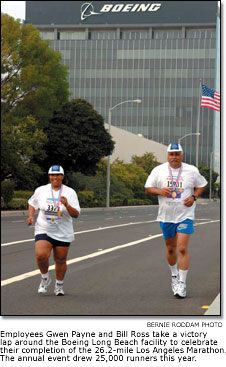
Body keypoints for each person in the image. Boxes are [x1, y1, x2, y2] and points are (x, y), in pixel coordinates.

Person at [145, 143, 207, 298]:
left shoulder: (191, 170)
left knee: (182, 248)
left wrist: (193, 197)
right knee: (171, 248)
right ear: (167, 156)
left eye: (177, 154)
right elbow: (148, 188)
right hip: (166, 216)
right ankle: (174, 276)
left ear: (182, 155)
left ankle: (182, 283)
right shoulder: (158, 170)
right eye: (171, 154)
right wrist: (159, 191)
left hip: (185, 215)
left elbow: (202, 185)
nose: (174, 157)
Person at [26, 165, 81, 296]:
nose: (54, 177)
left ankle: (59, 285)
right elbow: (32, 203)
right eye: (52, 175)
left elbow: (76, 214)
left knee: (60, 259)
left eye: (57, 175)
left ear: (62, 176)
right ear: (49, 176)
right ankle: (45, 278)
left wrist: (67, 205)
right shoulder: (41, 190)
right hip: (43, 228)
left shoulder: (70, 192)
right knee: (41, 255)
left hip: (63, 231)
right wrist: (30, 216)